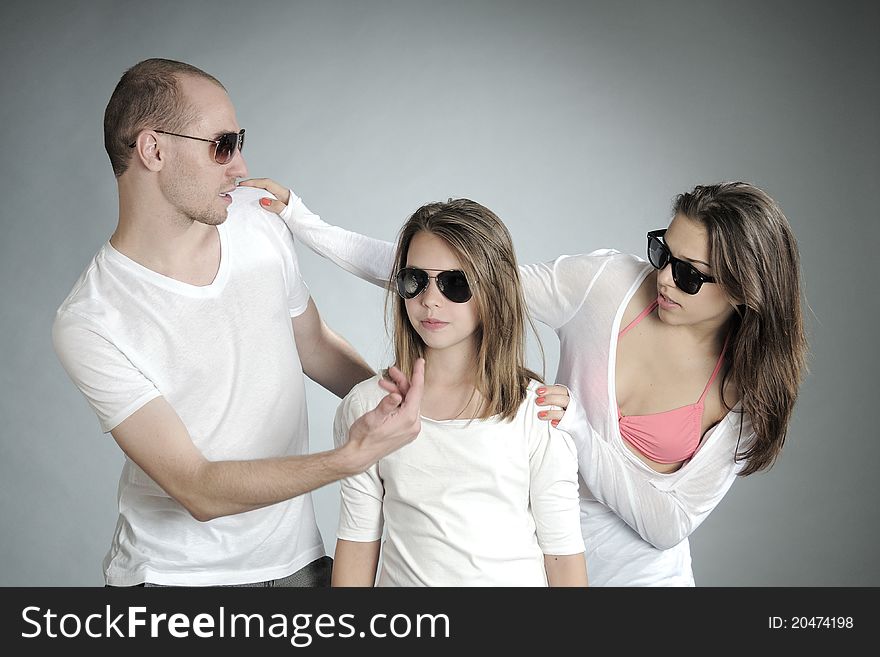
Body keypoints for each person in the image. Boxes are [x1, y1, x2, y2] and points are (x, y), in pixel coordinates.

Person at [241, 177, 808, 586]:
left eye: (689, 274)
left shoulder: (748, 393)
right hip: (537, 559)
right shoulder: (607, 285)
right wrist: (301, 220)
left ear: (744, 290)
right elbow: (459, 277)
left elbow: (668, 526)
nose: (663, 277)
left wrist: (578, 430)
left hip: (641, 578)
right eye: (662, 250)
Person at [51, 58, 424, 587]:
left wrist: (402, 406)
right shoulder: (91, 319)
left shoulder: (255, 220)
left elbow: (312, 344)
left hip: (299, 564)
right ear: (153, 149)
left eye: (240, 140)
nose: (241, 167)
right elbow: (197, 488)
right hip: (171, 583)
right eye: (222, 145)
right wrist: (349, 458)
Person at [326, 199, 587, 586]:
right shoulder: (367, 408)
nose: (430, 300)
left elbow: (564, 560)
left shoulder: (538, 411)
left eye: (455, 283)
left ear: (494, 291)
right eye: (415, 279)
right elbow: (357, 548)